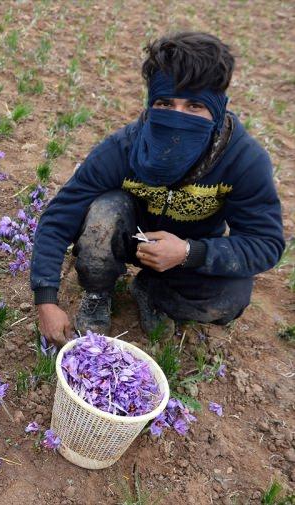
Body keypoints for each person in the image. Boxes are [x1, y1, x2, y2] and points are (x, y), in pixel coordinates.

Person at [31, 32, 285, 346]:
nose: (177, 119)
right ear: (152, 105)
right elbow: (59, 217)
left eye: (194, 106)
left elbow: (266, 243)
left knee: (230, 297)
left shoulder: (244, 160)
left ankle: (151, 290)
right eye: (165, 103)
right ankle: (98, 291)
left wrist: (190, 253)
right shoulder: (123, 148)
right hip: (127, 238)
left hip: (187, 251)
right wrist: (45, 299)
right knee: (103, 210)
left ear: (216, 112)